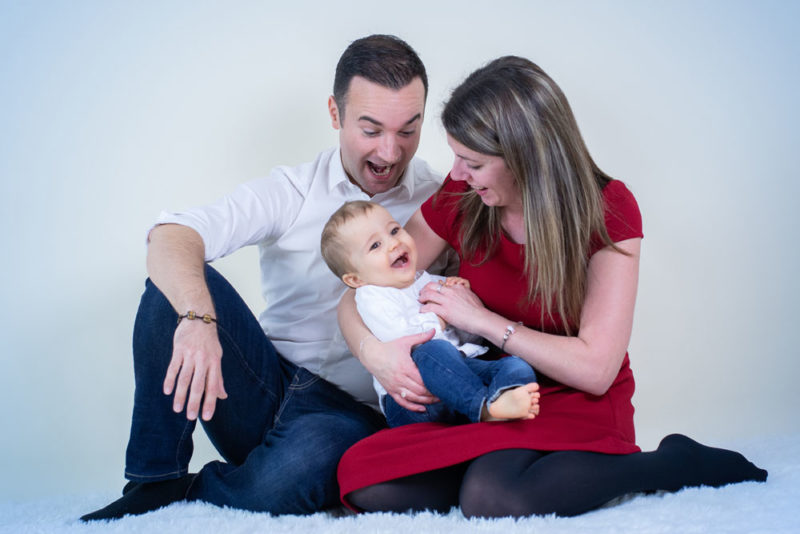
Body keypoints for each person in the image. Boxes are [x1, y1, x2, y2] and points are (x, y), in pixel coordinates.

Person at [336, 56, 768, 517]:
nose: (456, 174)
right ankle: (498, 463)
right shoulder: (464, 197)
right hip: (489, 392)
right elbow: (365, 286)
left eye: (473, 162)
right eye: (457, 157)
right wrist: (373, 353)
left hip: (574, 395)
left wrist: (481, 320)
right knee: (364, 477)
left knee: (493, 498)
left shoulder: (608, 209)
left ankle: (671, 463)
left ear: (524, 156)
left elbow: (596, 368)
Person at [80, 34, 445, 521]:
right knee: (173, 288)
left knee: (286, 481)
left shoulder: (439, 205)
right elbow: (171, 236)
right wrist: (197, 318)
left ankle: (199, 489)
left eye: (408, 130)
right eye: (371, 128)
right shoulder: (292, 190)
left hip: (353, 415)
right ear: (335, 115)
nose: (390, 151)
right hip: (262, 386)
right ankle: (154, 480)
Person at [320, 200, 540, 427]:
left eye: (395, 230)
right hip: (414, 397)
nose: (393, 243)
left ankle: (502, 400)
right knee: (433, 349)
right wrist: (443, 316)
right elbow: (413, 340)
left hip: (460, 377)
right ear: (355, 279)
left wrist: (465, 300)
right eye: (375, 246)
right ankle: (485, 409)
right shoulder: (371, 296)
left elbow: (468, 338)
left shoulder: (428, 280)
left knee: (516, 364)